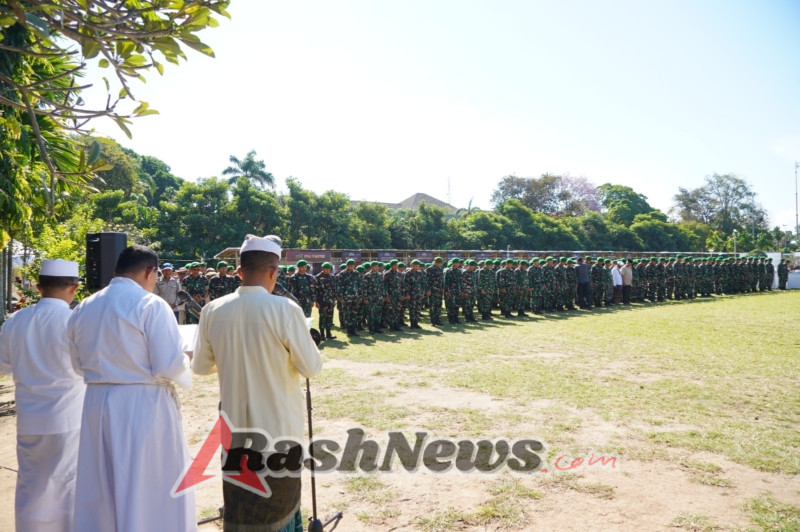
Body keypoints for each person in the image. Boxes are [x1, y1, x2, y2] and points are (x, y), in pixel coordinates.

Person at [192, 234, 322, 531]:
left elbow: (200, 367)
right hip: (278, 430)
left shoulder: (213, 310)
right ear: (274, 271)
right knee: (280, 504)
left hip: (234, 430)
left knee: (242, 503)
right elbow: (311, 368)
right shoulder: (285, 310)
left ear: (239, 271)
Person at [67, 245, 195, 531]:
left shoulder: (84, 307)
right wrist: (186, 358)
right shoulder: (150, 304)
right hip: (142, 405)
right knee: (147, 483)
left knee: (102, 484)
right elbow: (167, 365)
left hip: (97, 402)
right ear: (151, 271)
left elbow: (77, 365)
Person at [0, 259, 85, 532]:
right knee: (69, 486)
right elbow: (88, 367)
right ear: (74, 288)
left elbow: (2, 364)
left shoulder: (17, 320)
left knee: (32, 486)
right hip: (68, 418)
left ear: (38, 287)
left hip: (30, 419)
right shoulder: (76, 320)